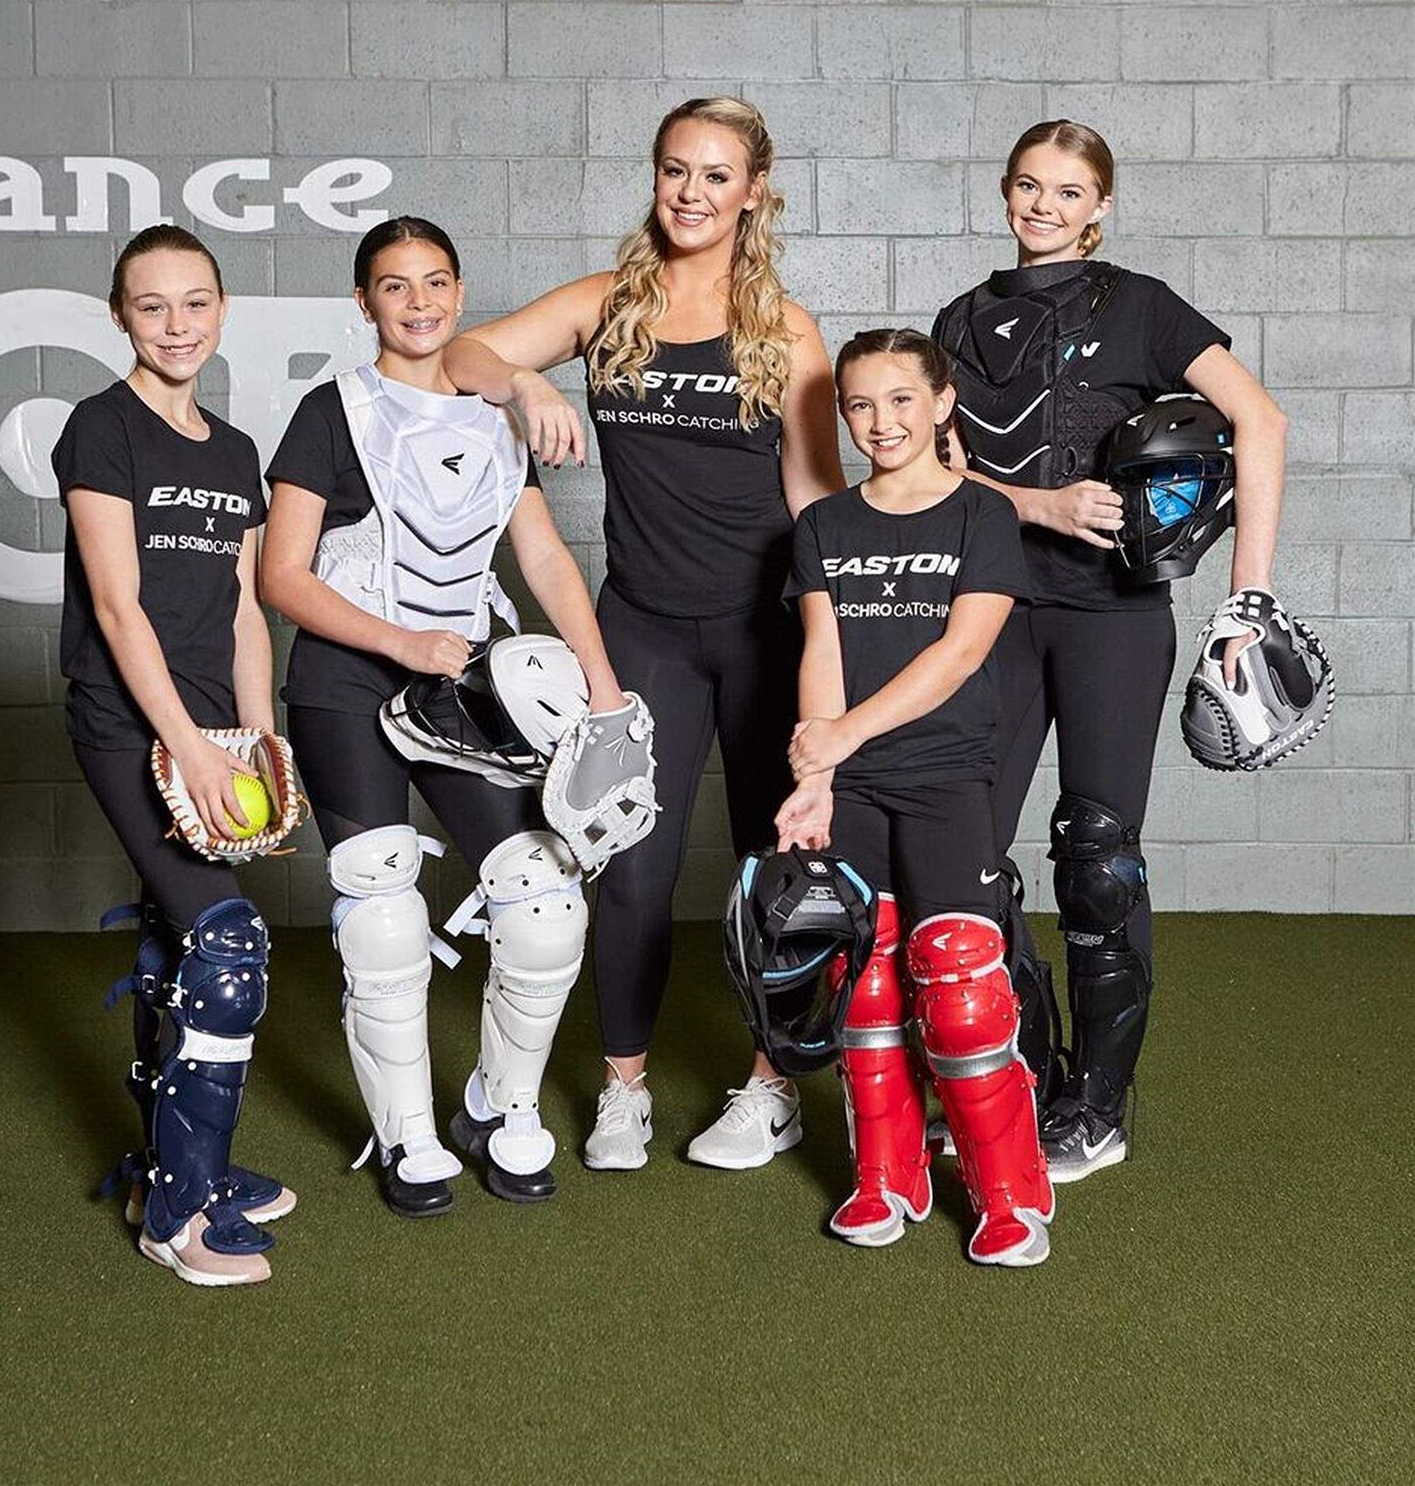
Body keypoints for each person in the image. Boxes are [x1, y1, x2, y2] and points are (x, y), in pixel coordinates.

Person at [441, 96, 845, 1174]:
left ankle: (771, 1088)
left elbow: (816, 501)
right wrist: (525, 380)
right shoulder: (606, 303)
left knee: (779, 868)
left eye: (716, 175)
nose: (691, 193)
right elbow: (461, 354)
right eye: (675, 170)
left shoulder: (787, 330)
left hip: (764, 634)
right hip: (643, 631)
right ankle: (624, 1087)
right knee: (626, 867)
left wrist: (836, 659)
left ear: (753, 193)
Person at [932, 120, 1287, 1181]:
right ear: (1005, 191)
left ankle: (1097, 1103)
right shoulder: (960, 319)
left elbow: (1260, 423)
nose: (1044, 206)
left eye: (1069, 190)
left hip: (1113, 616)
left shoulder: (1141, 305)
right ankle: (1011, 1073)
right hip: (991, 609)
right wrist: (1039, 504)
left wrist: (1248, 599)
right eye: (1029, 185)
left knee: (1097, 853)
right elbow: (938, 473)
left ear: (1100, 207)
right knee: (964, 855)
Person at [259, 216, 628, 1216]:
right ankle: (407, 1134)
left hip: (462, 686)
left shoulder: (497, 411)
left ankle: (497, 1108)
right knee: (383, 909)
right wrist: (401, 641)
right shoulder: (329, 411)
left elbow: (542, 554)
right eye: (394, 285)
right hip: (347, 681)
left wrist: (601, 685)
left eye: (435, 283)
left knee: (544, 901)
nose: (417, 302)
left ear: (460, 294)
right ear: (363, 302)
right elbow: (281, 575)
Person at [776, 329, 1053, 1266]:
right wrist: (816, 780)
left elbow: (961, 652)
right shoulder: (824, 526)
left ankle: (1010, 1190)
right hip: (851, 785)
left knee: (961, 986)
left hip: (945, 776)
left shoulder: (982, 514)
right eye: (859, 405)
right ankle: (886, 1175)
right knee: (862, 987)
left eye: (901, 399)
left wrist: (842, 736)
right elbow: (823, 650)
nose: (880, 422)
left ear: (941, 402)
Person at [55, 224, 293, 1287]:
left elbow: (243, 610)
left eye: (195, 302)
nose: (176, 324)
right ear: (121, 317)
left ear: (221, 309)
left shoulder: (234, 451)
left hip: (214, 731)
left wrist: (259, 739)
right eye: (151, 306)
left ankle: (178, 1165)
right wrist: (187, 747)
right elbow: (117, 606)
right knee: (229, 948)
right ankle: (178, 1217)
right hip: (128, 726)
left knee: (177, 939)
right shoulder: (100, 428)